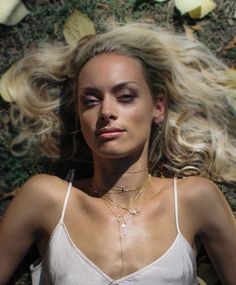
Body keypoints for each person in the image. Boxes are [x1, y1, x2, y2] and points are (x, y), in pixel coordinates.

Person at [0, 23, 235, 285]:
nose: (106, 112)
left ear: (157, 108)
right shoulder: (46, 199)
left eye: (125, 96)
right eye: (90, 101)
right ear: (79, 117)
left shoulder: (195, 199)